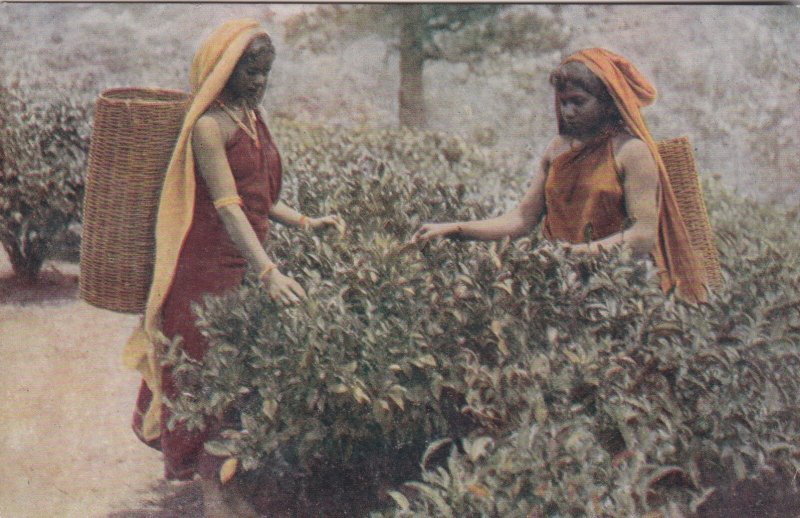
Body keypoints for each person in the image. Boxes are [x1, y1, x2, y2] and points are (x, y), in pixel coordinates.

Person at [122, 19, 343, 517]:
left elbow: (260, 200)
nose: (259, 83)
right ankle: (213, 496)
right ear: (222, 69)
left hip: (238, 269)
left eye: (265, 73)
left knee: (238, 382)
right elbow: (227, 205)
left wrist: (307, 221)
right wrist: (269, 272)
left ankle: (229, 487)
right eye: (249, 72)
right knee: (206, 381)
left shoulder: (251, 118)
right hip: (204, 274)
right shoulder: (209, 126)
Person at [412, 48, 708, 303]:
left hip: (616, 284)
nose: (568, 111)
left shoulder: (631, 152)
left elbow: (642, 236)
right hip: (559, 278)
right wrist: (455, 229)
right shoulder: (557, 150)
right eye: (563, 101)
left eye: (578, 101)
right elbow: (522, 218)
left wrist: (578, 253)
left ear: (608, 102)